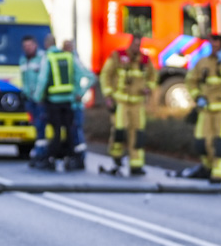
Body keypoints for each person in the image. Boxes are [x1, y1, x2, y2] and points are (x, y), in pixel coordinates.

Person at [188, 34, 221, 183]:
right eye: (212, 45)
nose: (214, 47)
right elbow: (191, 81)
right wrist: (198, 97)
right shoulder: (202, 62)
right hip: (205, 110)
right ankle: (208, 167)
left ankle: (220, 173)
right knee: (201, 142)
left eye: (217, 45)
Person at [101, 33, 154, 176]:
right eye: (135, 44)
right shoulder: (118, 56)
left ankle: (136, 165)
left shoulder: (144, 60)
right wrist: (108, 95)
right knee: (119, 131)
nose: (137, 47)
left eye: (139, 44)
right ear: (131, 43)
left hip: (137, 103)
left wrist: (148, 87)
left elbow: (153, 76)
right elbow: (106, 74)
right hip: (121, 101)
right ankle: (116, 157)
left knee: (137, 134)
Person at [41, 38, 92, 171]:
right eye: (65, 46)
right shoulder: (67, 59)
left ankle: (77, 159)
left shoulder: (72, 60)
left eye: (69, 46)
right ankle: (71, 158)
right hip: (69, 103)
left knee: (73, 133)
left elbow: (91, 77)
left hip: (72, 104)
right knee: (69, 132)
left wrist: (80, 93)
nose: (67, 49)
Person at [19, 34, 49, 167]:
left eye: (30, 45)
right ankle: (39, 153)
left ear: (35, 45)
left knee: (41, 127)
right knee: (36, 127)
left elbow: (43, 79)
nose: (27, 48)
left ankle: (41, 154)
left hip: (40, 99)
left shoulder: (42, 58)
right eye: (25, 46)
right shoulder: (23, 60)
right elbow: (24, 79)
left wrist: (39, 96)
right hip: (30, 99)